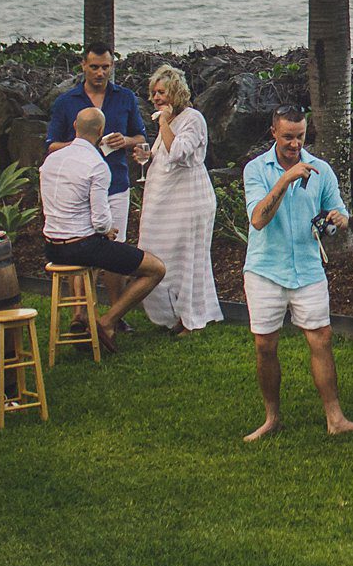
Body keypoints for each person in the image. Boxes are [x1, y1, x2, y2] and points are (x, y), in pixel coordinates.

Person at [240, 108, 353, 443]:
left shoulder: (321, 170)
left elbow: (338, 211)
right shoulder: (256, 169)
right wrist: (285, 179)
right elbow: (258, 219)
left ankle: (336, 417)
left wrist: (338, 220)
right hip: (265, 269)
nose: (295, 144)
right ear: (273, 132)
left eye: (300, 136)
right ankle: (272, 417)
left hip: (308, 268)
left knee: (322, 339)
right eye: (288, 137)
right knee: (265, 346)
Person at [43, 105, 164, 350]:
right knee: (155, 269)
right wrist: (106, 230)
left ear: (75, 127)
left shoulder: (51, 159)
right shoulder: (96, 165)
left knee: (100, 251)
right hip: (82, 247)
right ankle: (107, 322)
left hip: (52, 247)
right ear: (101, 131)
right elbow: (101, 222)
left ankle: (81, 316)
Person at [137, 65, 221, 332]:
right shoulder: (170, 121)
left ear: (175, 91)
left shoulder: (192, 118)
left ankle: (189, 318)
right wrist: (146, 155)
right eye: (153, 93)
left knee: (187, 259)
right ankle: (168, 314)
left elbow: (179, 153)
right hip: (164, 202)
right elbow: (162, 155)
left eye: (161, 92)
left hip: (189, 201)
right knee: (155, 253)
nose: (156, 98)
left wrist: (162, 122)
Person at [46, 47, 148, 242]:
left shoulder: (125, 97)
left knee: (116, 248)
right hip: (77, 190)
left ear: (112, 66)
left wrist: (124, 141)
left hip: (115, 183)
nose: (100, 73)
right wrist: (81, 144)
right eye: (94, 67)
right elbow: (51, 146)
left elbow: (141, 138)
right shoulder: (65, 102)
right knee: (80, 248)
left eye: (105, 67)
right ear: (83, 65)